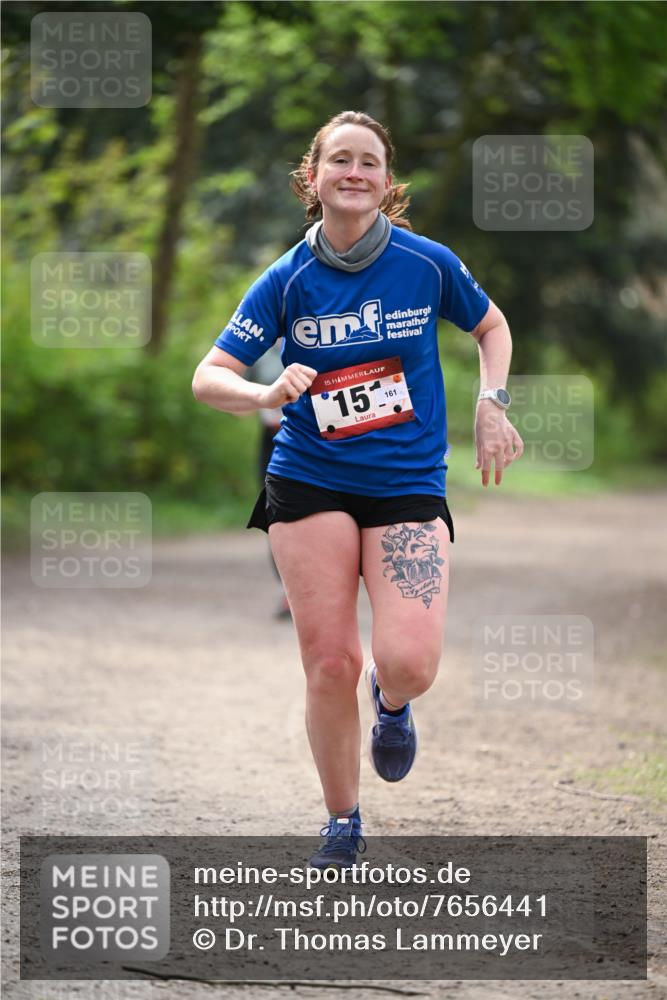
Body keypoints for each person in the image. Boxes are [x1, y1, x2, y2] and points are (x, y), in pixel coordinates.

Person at [192, 110, 524, 869]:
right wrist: (263, 393)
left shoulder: (426, 264)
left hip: (406, 482)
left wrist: (491, 401)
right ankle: (342, 821)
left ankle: (393, 702)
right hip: (308, 477)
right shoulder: (286, 278)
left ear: (386, 181)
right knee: (330, 663)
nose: (353, 172)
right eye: (338, 159)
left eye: (368, 161)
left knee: (409, 662)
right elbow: (208, 376)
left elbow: (492, 327)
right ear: (312, 178)